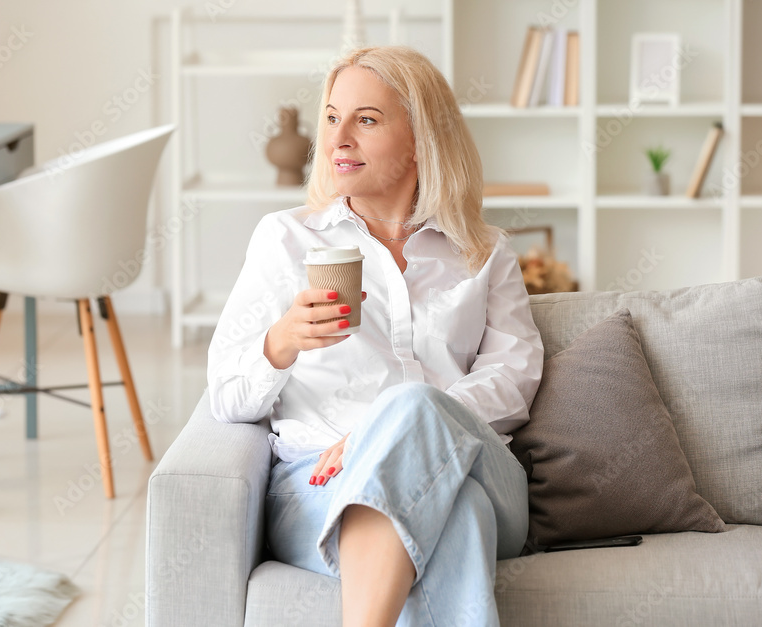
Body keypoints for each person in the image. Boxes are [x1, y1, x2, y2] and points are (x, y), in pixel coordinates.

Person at [208, 45, 544, 626]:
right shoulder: (285, 239)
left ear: (421, 140)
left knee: (414, 408)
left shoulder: (485, 253)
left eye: (366, 120)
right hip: (318, 482)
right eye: (333, 118)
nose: (339, 138)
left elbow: (513, 381)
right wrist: (283, 340)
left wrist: (391, 429)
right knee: (457, 514)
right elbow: (226, 395)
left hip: (477, 469)